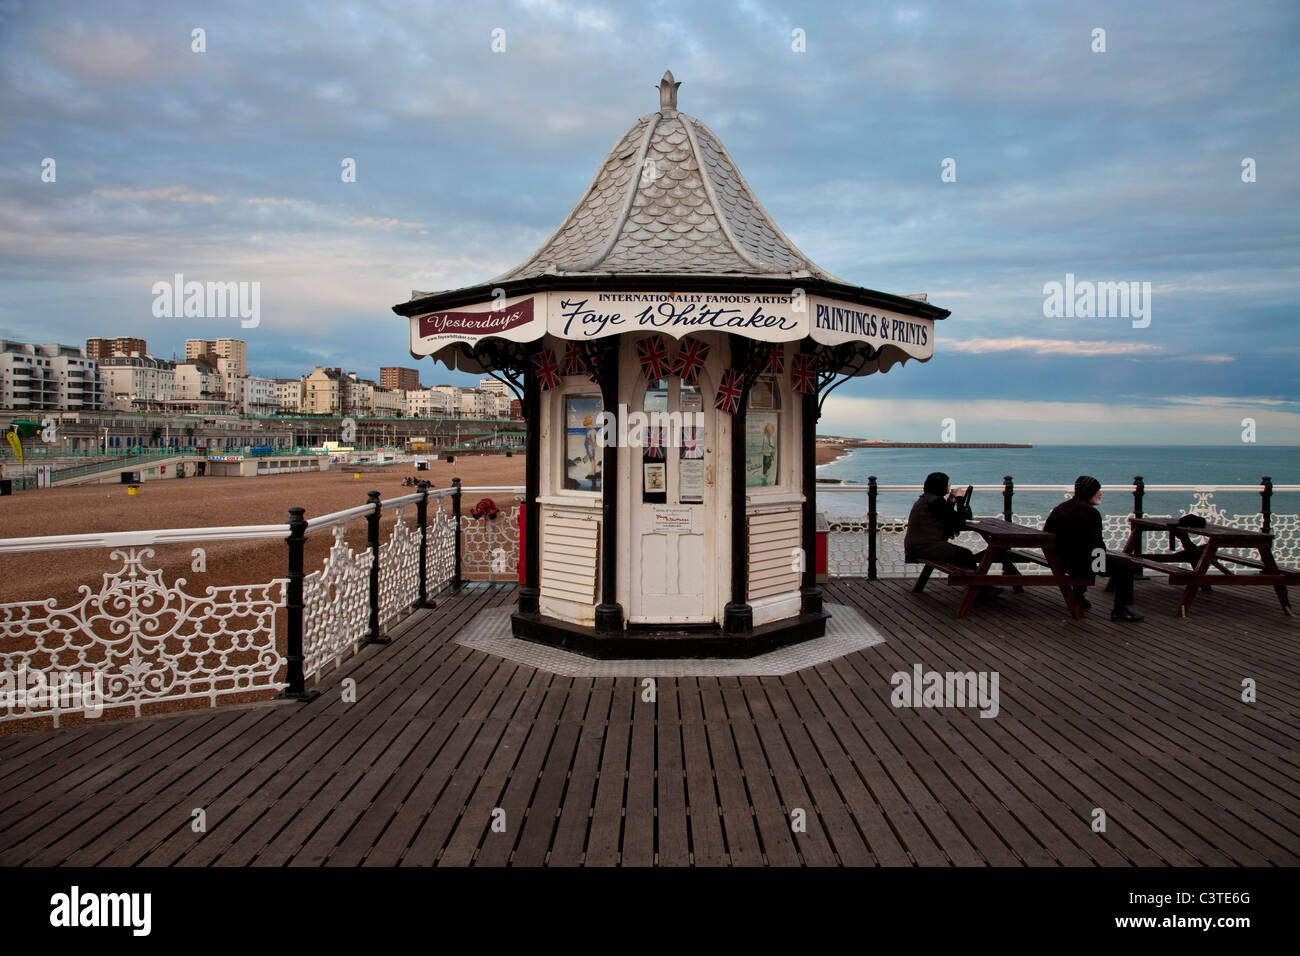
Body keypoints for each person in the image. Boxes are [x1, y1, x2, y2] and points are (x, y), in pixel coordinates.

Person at [1045, 476, 1143, 621]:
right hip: (1079, 562)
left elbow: (1047, 532)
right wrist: (1102, 563)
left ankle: (1079, 597)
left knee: (1088, 555)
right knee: (1125, 565)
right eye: (1098, 490)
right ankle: (1120, 610)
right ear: (1089, 492)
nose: (1100, 493)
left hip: (1060, 559)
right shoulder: (1090, 513)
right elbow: (1097, 545)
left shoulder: (1061, 508)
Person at [905, 472, 999, 596]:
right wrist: (960, 500)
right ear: (941, 487)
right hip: (924, 547)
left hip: (917, 545)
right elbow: (957, 521)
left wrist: (951, 499)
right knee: (965, 554)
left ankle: (978, 586)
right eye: (946, 484)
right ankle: (979, 589)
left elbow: (945, 515)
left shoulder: (927, 499)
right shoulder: (935, 502)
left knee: (964, 555)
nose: (949, 487)